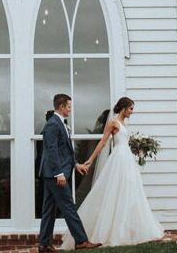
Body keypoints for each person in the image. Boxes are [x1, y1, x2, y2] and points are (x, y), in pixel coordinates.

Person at [60, 97, 165, 249]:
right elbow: (103, 142)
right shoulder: (113, 122)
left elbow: (124, 141)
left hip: (127, 159)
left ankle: (129, 229)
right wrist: (90, 159)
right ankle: (110, 231)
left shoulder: (124, 123)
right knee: (115, 191)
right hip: (119, 159)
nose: (132, 112)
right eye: (130, 109)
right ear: (123, 108)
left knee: (131, 191)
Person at [38, 94, 103, 252]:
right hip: (55, 175)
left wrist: (75, 164)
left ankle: (44, 244)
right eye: (68, 107)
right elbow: (52, 151)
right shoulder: (53, 124)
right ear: (61, 107)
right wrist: (59, 173)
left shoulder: (59, 123)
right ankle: (81, 241)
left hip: (52, 174)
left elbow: (64, 150)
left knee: (49, 209)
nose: (70, 110)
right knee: (68, 206)